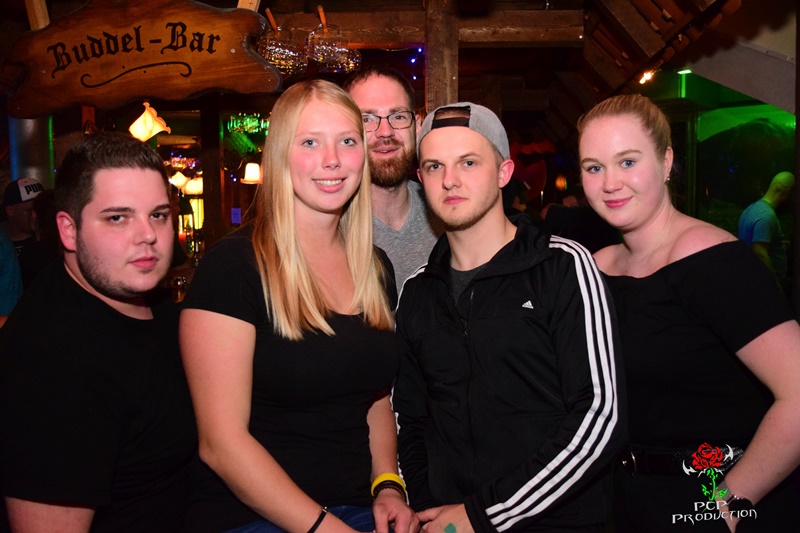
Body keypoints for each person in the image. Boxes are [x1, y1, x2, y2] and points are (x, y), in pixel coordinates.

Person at [179, 79, 418, 533]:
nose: (332, 160)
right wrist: (328, 528)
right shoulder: (233, 267)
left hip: (354, 507)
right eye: (310, 142)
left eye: (347, 141)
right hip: (251, 516)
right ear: (280, 155)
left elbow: (374, 397)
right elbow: (221, 444)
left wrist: (388, 485)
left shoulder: (374, 268)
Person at [393, 102, 624, 532]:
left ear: (503, 173)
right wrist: (427, 510)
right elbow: (410, 419)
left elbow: (600, 416)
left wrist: (483, 515)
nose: (450, 179)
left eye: (468, 162)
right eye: (434, 166)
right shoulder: (418, 292)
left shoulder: (561, 266)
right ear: (421, 180)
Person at [578, 94, 800, 532]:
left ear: (666, 162)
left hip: (712, 498)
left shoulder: (714, 261)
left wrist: (724, 509)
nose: (610, 183)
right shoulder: (595, 267)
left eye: (627, 162)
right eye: (594, 167)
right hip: (627, 501)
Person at [0, 132, 196, 532]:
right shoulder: (52, 366)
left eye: (158, 214)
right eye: (117, 217)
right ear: (68, 230)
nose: (147, 234)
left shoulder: (144, 301)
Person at [343, 66, 444, 293]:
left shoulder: (449, 213)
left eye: (398, 116)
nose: (385, 132)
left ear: (417, 127)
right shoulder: (329, 228)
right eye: (367, 119)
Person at [737, 171, 795, 294]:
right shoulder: (767, 216)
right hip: (765, 284)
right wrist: (776, 286)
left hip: (752, 279)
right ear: (787, 192)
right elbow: (760, 253)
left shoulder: (751, 209)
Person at [1, 177, 45, 287]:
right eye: (29, 210)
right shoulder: (2, 244)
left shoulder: (47, 243)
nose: (35, 215)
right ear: (11, 210)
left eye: (40, 209)